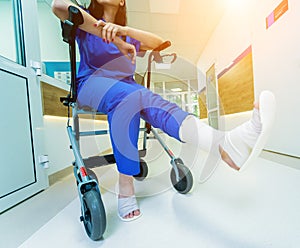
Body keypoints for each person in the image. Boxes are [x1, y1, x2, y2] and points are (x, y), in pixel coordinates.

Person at [52, 0, 276, 221]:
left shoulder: (126, 35)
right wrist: (108, 35)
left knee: (149, 99)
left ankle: (225, 145)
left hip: (128, 88)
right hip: (93, 83)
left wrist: (122, 32)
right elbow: (57, 5)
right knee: (130, 96)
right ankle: (126, 182)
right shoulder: (84, 19)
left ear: (122, 2)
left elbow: (158, 43)